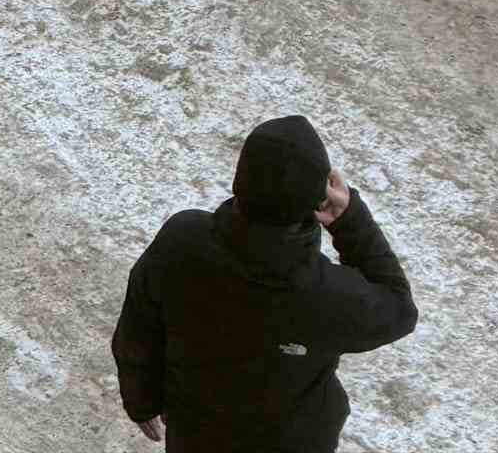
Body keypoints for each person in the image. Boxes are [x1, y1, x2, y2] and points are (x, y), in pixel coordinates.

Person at [111, 116, 418, 452]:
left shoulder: (182, 242)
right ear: (316, 201)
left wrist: (142, 400)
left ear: (240, 180)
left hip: (196, 435)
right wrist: (351, 221)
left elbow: (138, 328)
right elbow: (399, 308)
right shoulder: (329, 296)